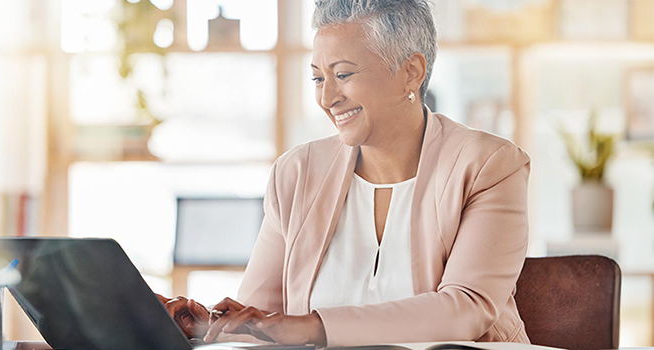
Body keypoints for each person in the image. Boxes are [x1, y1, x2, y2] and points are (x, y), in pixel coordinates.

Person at [159, 0, 531, 346]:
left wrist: (313, 326)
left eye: (343, 74)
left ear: (411, 72)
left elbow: (465, 310)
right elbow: (261, 322)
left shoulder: (489, 164)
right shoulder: (297, 173)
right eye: (319, 78)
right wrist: (209, 326)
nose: (327, 98)